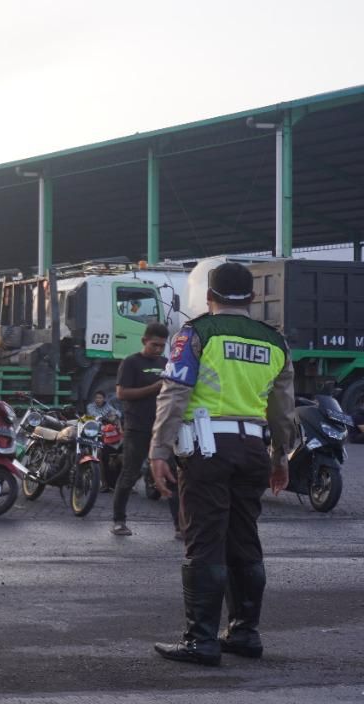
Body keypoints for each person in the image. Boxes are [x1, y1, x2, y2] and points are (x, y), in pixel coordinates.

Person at [148, 262, 295, 666]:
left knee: (205, 539)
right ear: (250, 298)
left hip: (207, 450)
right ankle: (245, 633)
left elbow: (174, 392)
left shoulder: (196, 333)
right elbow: (283, 409)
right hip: (254, 451)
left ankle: (201, 640)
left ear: (209, 296)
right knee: (244, 539)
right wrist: (280, 457)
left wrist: (159, 449)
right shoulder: (274, 342)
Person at [111, 321, 170, 537]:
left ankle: (180, 527)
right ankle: (119, 521)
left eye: (162, 346)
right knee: (129, 474)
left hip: (162, 427)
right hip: (137, 426)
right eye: (154, 345)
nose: (158, 350)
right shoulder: (131, 363)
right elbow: (122, 393)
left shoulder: (166, 363)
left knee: (171, 474)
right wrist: (153, 388)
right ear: (144, 341)